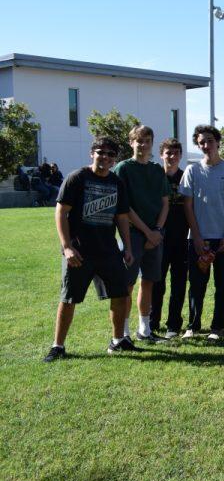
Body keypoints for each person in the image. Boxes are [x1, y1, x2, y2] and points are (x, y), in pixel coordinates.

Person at [43, 137, 137, 361]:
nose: (104, 157)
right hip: (79, 252)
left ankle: (117, 341)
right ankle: (58, 346)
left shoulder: (117, 182)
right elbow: (61, 212)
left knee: (120, 294)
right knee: (69, 299)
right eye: (100, 152)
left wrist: (128, 248)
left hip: (108, 250)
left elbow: (122, 217)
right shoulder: (77, 178)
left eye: (110, 154)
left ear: (115, 159)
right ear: (91, 154)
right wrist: (66, 247)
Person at [180, 125, 224, 340]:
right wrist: (197, 236)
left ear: (217, 142)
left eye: (210, 141)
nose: (206, 146)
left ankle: (217, 327)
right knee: (197, 285)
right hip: (199, 239)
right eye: (201, 142)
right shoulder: (192, 171)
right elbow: (187, 206)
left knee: (222, 284)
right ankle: (193, 325)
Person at [112, 125, 170, 343]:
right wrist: (147, 232)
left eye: (147, 140)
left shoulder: (157, 170)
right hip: (133, 234)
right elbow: (124, 208)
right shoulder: (123, 169)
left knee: (149, 281)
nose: (143, 144)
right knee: (127, 284)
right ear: (131, 142)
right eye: (139, 140)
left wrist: (156, 231)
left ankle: (144, 330)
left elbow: (165, 203)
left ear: (152, 143)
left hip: (155, 234)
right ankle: (123, 332)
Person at [150, 138, 189, 338]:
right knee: (157, 281)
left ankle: (174, 324)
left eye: (175, 153)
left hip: (181, 237)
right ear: (161, 154)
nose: (172, 157)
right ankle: (153, 321)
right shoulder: (156, 177)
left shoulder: (186, 178)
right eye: (168, 153)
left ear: (181, 156)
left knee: (179, 282)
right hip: (158, 238)